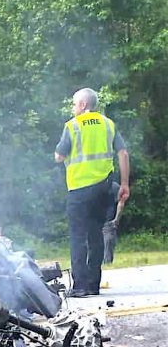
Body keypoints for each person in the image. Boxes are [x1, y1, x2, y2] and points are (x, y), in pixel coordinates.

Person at [54, 87, 130, 297]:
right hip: (103, 187)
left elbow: (59, 157)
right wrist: (124, 183)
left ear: (83, 105)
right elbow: (123, 153)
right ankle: (93, 285)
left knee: (78, 237)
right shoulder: (108, 124)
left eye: (74, 103)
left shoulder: (72, 126)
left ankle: (79, 286)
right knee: (95, 234)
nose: (73, 107)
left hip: (79, 189)